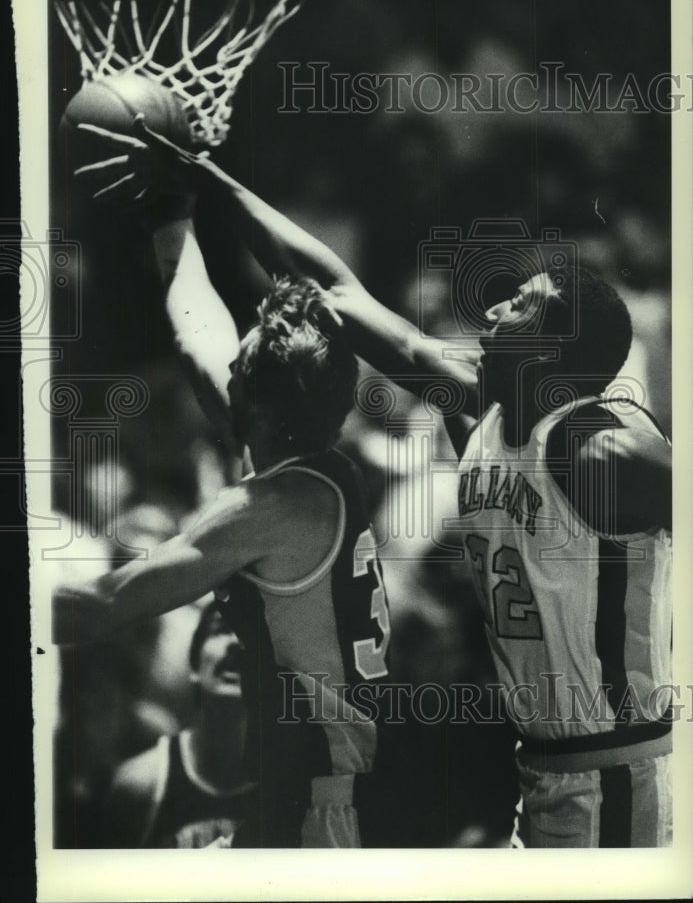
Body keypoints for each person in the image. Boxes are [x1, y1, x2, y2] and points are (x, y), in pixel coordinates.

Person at [83, 117, 672, 848]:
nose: (492, 306)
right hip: (537, 769)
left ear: (553, 355)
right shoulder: (475, 405)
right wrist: (211, 180)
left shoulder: (601, 448)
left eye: (521, 304)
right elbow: (333, 287)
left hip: (618, 772)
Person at [52, 128, 392, 848]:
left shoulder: (272, 507)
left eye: (236, 365)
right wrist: (169, 213)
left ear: (257, 404)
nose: (223, 364)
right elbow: (194, 328)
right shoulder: (296, 451)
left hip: (319, 810)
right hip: (298, 786)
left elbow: (104, 608)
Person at [104, 603, 259, 848]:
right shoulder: (139, 786)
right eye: (221, 629)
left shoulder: (293, 788)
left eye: (252, 635)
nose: (235, 643)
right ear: (194, 667)